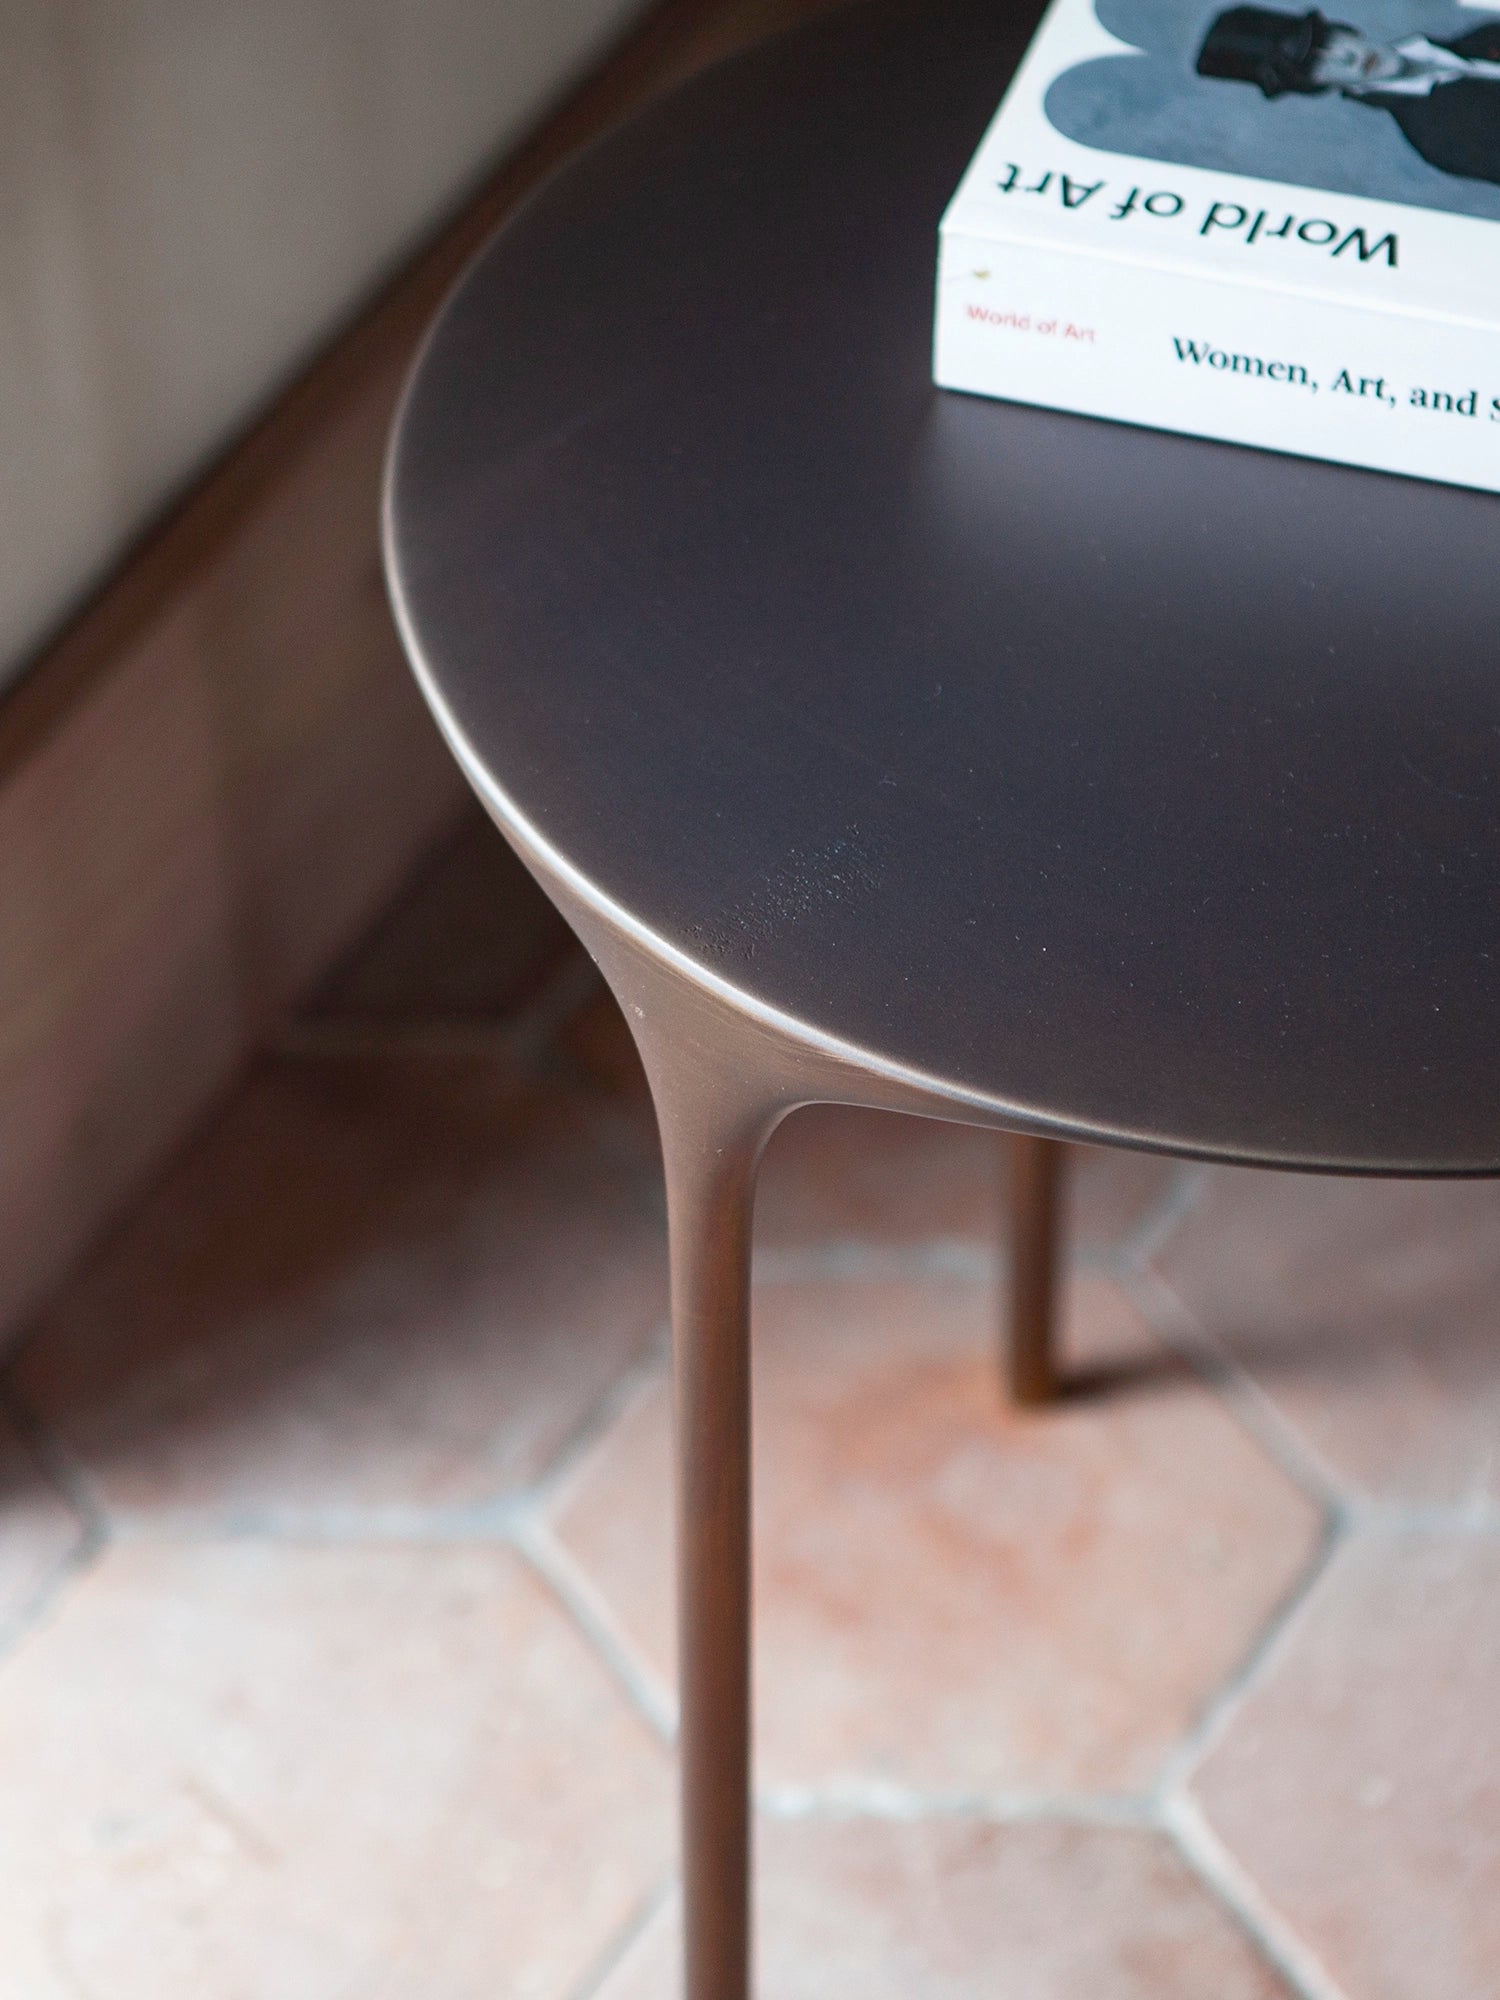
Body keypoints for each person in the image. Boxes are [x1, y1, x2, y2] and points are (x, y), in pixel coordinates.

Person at [1195, 5, 1500, 184]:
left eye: (1328, 39)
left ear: (1346, 30)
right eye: (1317, 63)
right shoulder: (1442, 138)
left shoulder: (1484, 36)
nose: (1346, 58)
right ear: (1316, 85)